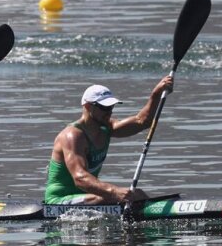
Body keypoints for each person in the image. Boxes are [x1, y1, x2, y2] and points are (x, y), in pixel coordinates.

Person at [45, 77, 174, 205]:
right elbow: (80, 178)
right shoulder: (72, 136)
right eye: (105, 107)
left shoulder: (106, 127)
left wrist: (156, 94)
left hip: (85, 197)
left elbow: (142, 121)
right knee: (111, 197)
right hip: (59, 200)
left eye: (111, 106)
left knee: (137, 194)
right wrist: (115, 191)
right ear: (88, 106)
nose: (110, 112)